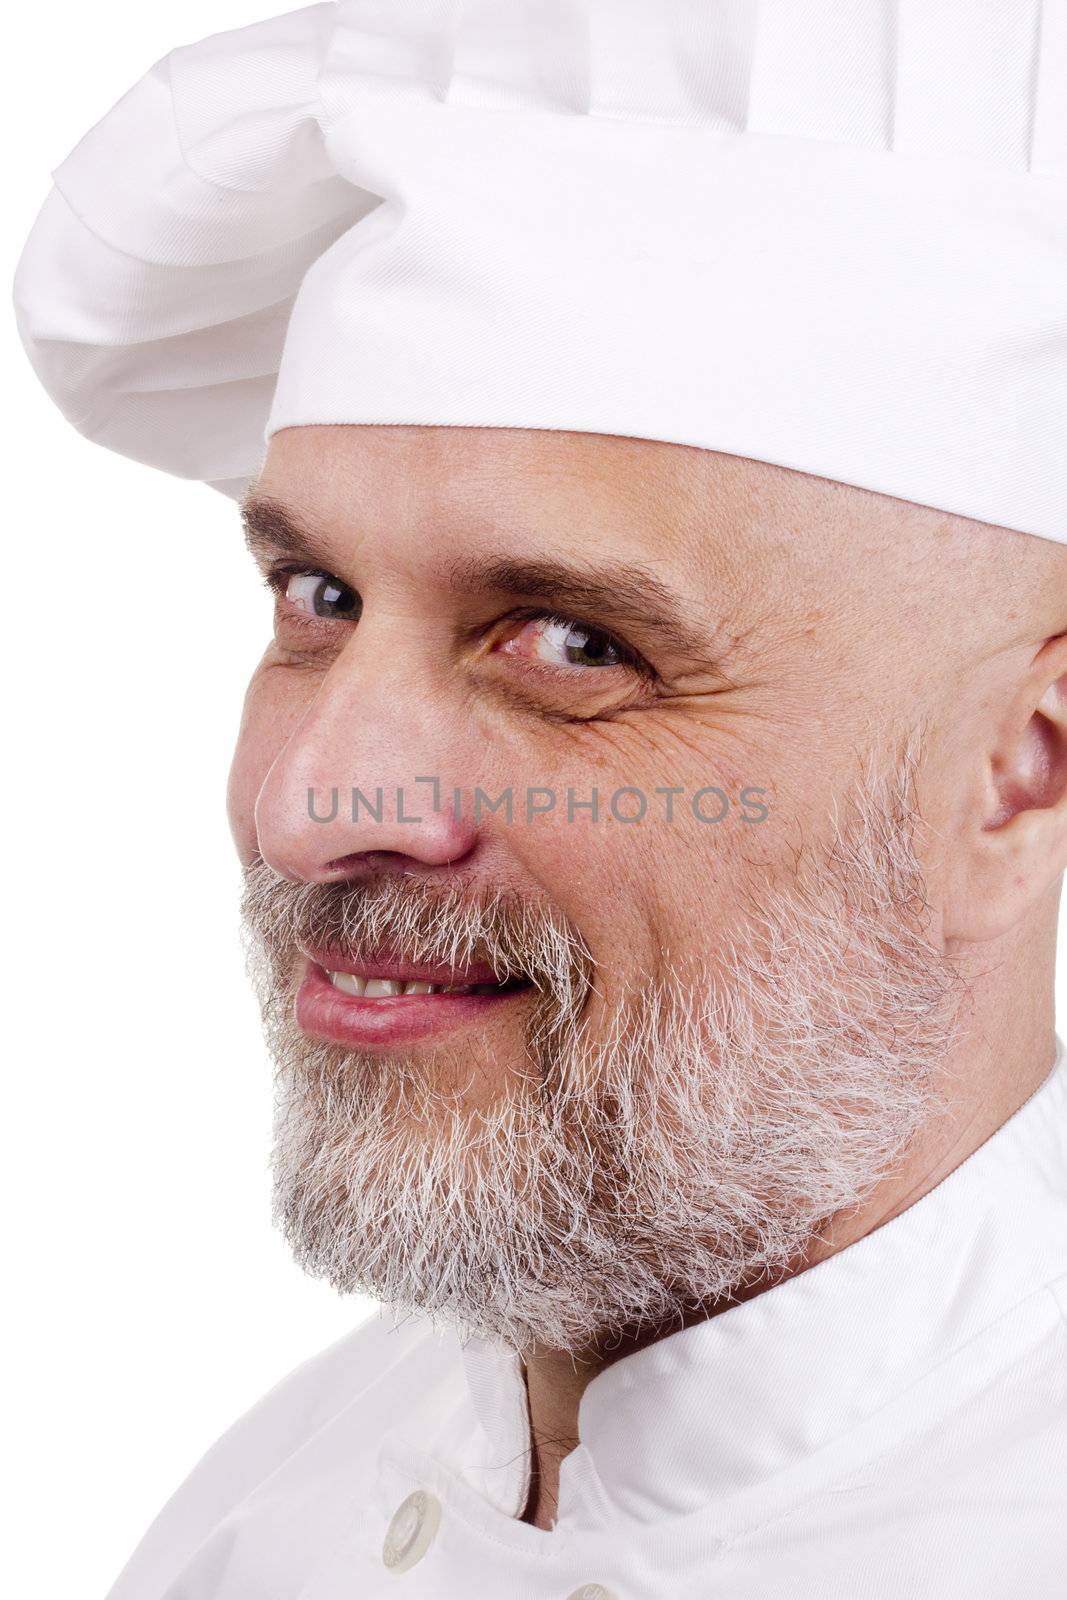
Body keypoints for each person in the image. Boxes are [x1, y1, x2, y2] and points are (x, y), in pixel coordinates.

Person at [13, 4, 1067, 1596]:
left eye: (571, 643)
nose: (310, 807)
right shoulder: (263, 1513)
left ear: (1024, 771)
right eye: (319, 597)